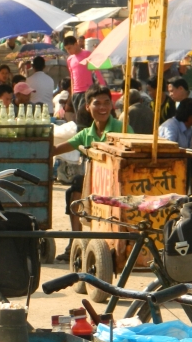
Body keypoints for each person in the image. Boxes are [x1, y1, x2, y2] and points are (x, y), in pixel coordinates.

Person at [52, 85, 134, 258]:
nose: (102, 107)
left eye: (106, 103)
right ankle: (75, 243)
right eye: (97, 103)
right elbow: (56, 149)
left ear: (112, 106)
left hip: (120, 183)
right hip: (96, 184)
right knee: (74, 190)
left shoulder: (122, 128)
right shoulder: (86, 134)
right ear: (88, 107)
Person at [159, 97, 192, 194]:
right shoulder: (171, 127)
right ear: (191, 118)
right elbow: (170, 149)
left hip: (180, 164)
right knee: (187, 161)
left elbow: (187, 150)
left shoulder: (189, 129)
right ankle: (185, 192)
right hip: (165, 166)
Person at [64, 36, 105, 126]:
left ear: (76, 44)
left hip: (86, 92)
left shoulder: (87, 54)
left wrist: (103, 86)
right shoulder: (70, 59)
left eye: (69, 48)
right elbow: (72, 77)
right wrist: (72, 94)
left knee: (83, 118)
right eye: (67, 49)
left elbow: (97, 71)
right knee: (78, 119)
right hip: (76, 94)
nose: (68, 51)